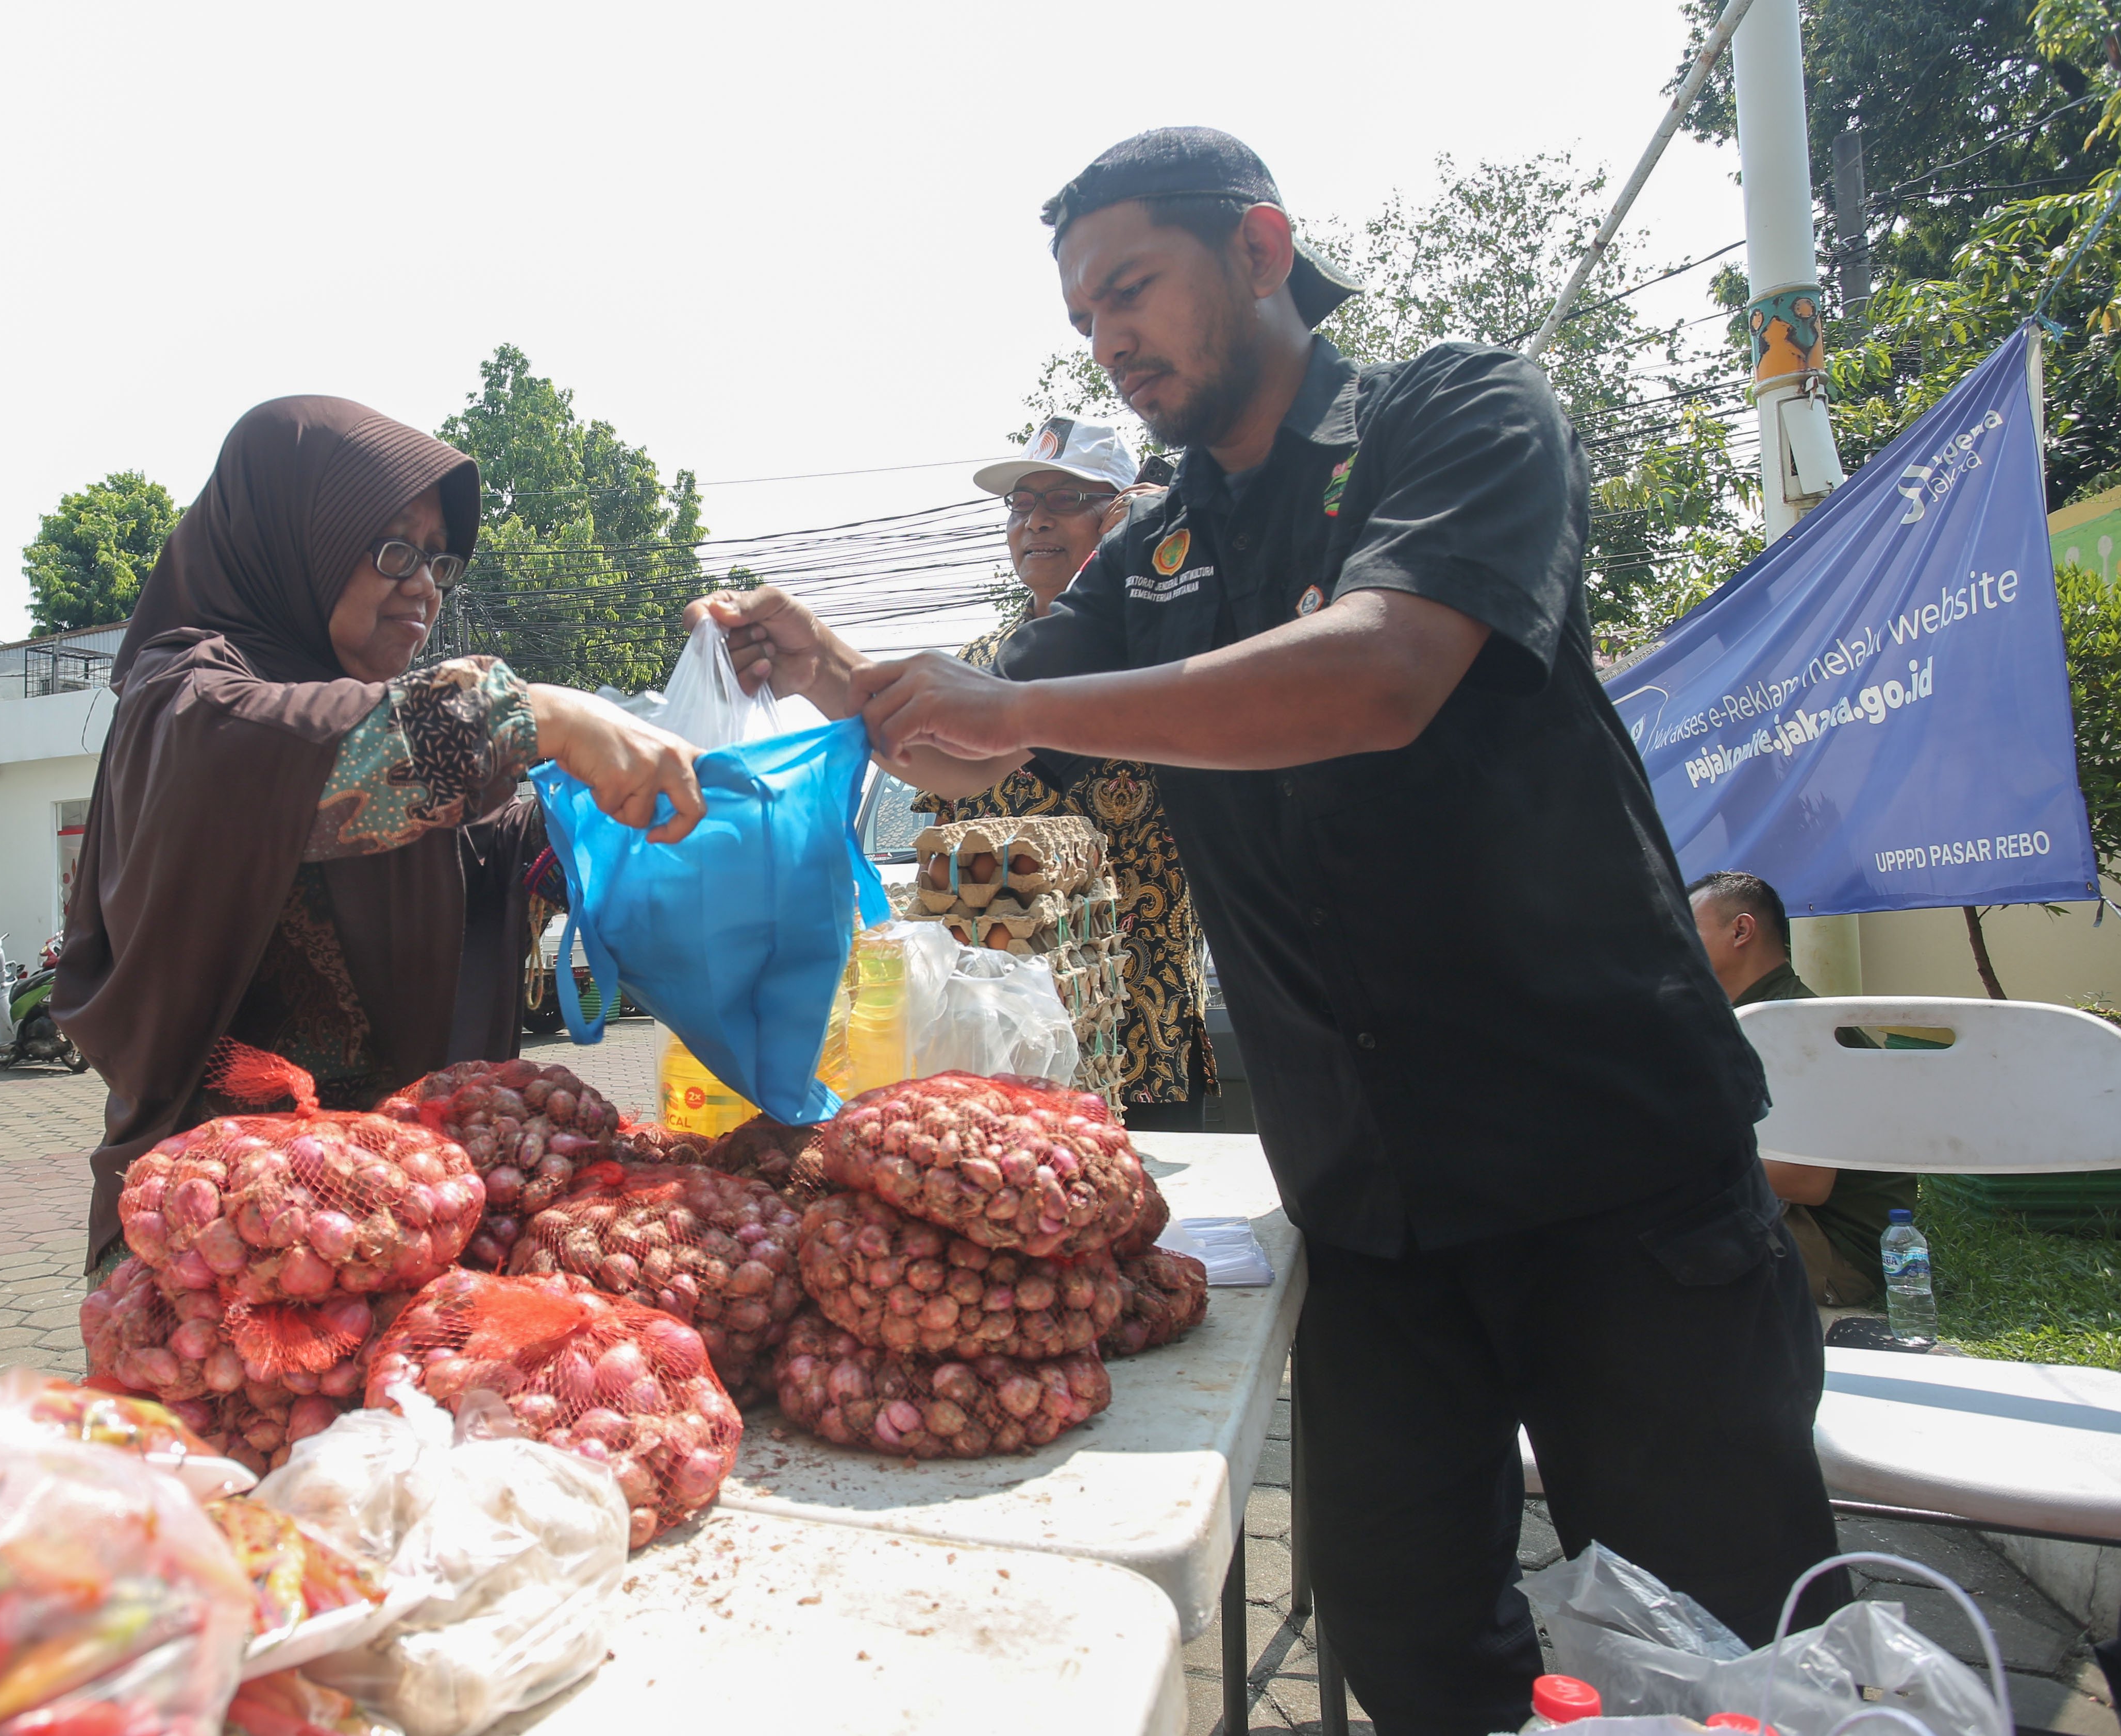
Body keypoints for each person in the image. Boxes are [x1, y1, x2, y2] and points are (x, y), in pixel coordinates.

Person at [698, 128, 1841, 1732]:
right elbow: (989, 738)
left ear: (1257, 247)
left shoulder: (1449, 410)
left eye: (1130, 288)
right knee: (1410, 1645)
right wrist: (833, 673)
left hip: (1609, 1166)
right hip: (1372, 1204)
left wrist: (1008, 691)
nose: (1107, 337)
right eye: (1084, 314)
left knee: (1729, 1653)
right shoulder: (1167, 539)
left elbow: (1381, 671)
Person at [54, 396, 702, 1279]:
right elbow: (283, 763)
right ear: (289, 539)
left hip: (390, 1230)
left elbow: (499, 855)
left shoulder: (379, 729)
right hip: (219, 1252)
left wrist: (632, 795)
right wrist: (532, 714)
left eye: (438, 560)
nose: (423, 585)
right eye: (392, 548)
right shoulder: (186, 700)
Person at [913, 414, 1216, 1131]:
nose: (1035, 523)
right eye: (1022, 506)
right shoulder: (978, 665)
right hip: (1001, 1047)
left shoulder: (1170, 646)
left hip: (1142, 1036)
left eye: (1063, 501)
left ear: (1122, 513)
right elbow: (942, 843)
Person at [1689, 868, 1913, 1307]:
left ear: (1740, 930)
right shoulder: (1757, 1017)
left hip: (1836, 1253)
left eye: (1685, 929)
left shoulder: (1791, 1026)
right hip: (1796, 1225)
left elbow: (1806, 1180)